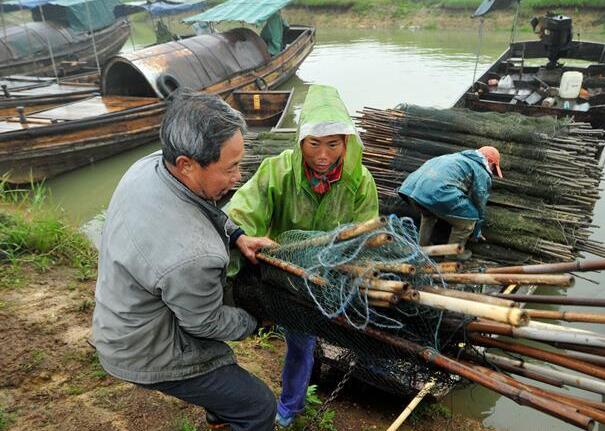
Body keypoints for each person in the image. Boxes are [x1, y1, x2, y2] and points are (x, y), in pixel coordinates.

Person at [92, 90, 277, 431]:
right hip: (142, 348)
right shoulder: (195, 255)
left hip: (119, 312)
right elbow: (205, 324)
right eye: (231, 168)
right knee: (258, 405)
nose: (238, 178)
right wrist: (257, 321)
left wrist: (237, 236)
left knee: (227, 389)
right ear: (187, 165)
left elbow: (205, 208)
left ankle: (221, 416)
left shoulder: (147, 167)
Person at [227, 84, 379, 428]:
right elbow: (242, 209)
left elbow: (367, 233)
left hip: (330, 275)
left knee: (303, 342)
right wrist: (242, 235)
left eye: (332, 144)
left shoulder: (360, 182)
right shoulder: (276, 171)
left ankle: (291, 407)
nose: (322, 155)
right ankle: (238, 400)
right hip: (283, 273)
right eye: (313, 144)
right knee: (286, 335)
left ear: (346, 143)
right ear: (300, 142)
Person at [398, 146, 503, 256]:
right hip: (436, 193)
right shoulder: (481, 170)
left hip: (410, 190)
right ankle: (453, 256)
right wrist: (476, 231)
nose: (492, 171)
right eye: (493, 168)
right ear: (489, 161)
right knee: (468, 221)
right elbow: (479, 202)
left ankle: (422, 248)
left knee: (429, 213)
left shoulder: (452, 157)